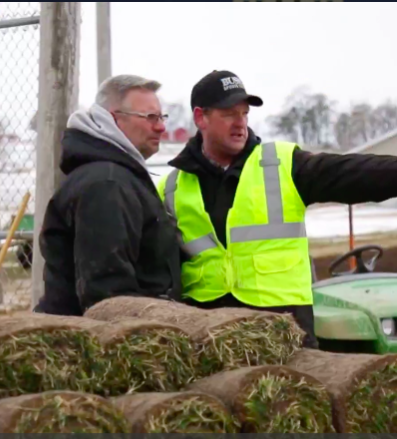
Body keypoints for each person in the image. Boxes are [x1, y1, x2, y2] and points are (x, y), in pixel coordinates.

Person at [157, 70, 397, 348]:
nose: (240, 124)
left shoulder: (281, 164)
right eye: (228, 114)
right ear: (201, 118)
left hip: (286, 329)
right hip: (210, 336)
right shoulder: (170, 188)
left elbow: (351, 173)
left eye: (244, 114)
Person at [34, 74, 182, 316]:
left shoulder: (116, 176)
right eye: (150, 117)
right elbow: (107, 294)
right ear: (113, 119)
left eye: (161, 117)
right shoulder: (107, 184)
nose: (161, 126)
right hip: (103, 339)